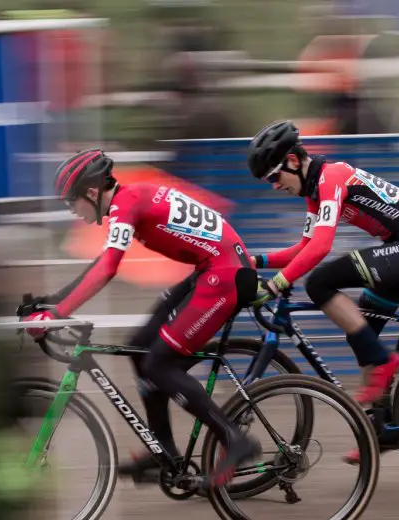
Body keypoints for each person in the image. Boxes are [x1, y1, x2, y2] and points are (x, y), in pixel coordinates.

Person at [22, 148, 261, 487]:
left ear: (91, 193)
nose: (73, 211)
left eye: (71, 203)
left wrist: (58, 313)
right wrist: (52, 302)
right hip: (213, 270)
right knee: (138, 348)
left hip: (224, 276)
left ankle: (234, 438)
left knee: (158, 364)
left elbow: (108, 268)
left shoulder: (126, 202)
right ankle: (162, 449)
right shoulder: (130, 198)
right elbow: (105, 260)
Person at [247, 120, 399, 463]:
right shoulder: (314, 191)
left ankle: (384, 363)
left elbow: (320, 248)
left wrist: (278, 283)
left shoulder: (331, 177)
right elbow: (302, 249)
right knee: (362, 334)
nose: (274, 186)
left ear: (293, 161)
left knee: (319, 282)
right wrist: (255, 260)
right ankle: (382, 431)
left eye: (274, 177)